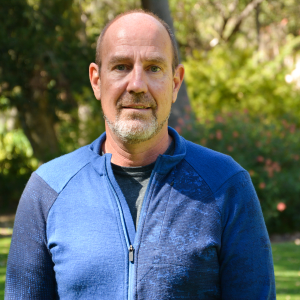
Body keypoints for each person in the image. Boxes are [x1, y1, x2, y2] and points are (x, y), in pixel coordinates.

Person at [5, 9, 276, 299]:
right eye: (121, 66)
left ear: (175, 83)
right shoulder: (48, 189)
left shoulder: (225, 184)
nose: (136, 85)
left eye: (154, 68)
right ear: (97, 81)